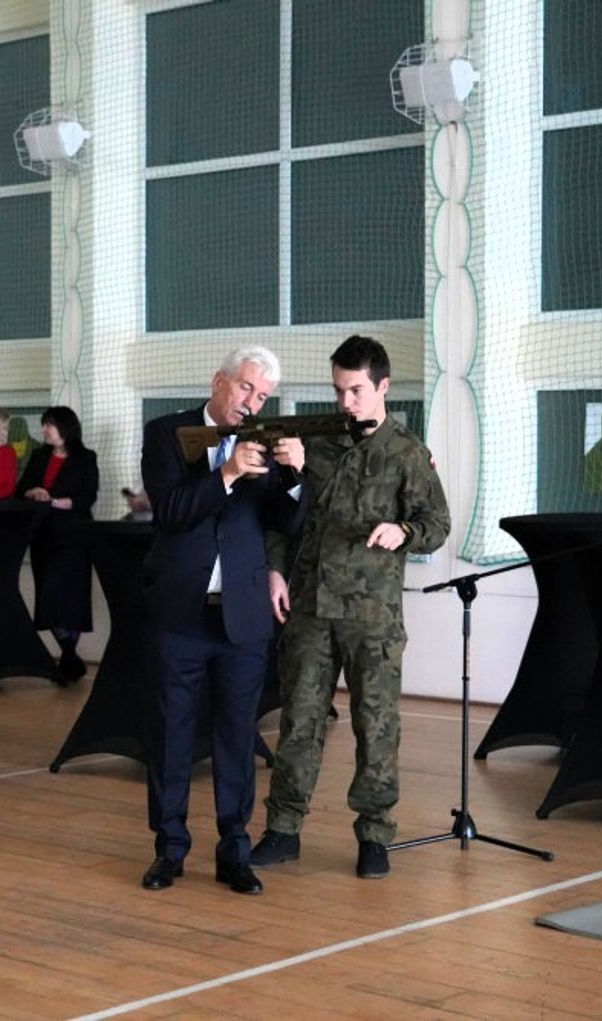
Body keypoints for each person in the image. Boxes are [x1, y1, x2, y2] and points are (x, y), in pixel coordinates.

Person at [251, 335, 450, 880]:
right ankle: (282, 829)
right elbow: (284, 517)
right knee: (299, 722)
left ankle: (375, 835)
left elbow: (437, 524)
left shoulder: (407, 452)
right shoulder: (314, 443)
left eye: (356, 390)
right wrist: (274, 569)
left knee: (376, 726)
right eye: (339, 390)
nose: (345, 401)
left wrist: (404, 530)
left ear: (383, 386)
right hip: (310, 609)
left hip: (372, 616)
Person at [140, 346, 305, 896]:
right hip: (179, 614)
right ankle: (169, 850)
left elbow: (288, 522)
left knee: (237, 739)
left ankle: (235, 851)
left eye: (263, 396)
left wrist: (296, 474)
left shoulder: (265, 442)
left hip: (243, 616)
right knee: (171, 736)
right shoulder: (166, 433)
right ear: (219, 381)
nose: (252, 402)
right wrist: (228, 473)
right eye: (246, 388)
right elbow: (170, 512)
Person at [15, 406, 100, 681]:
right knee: (48, 597)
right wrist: (34, 492)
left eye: (48, 425)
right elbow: (21, 489)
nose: (44, 430)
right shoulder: (39, 455)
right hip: (43, 536)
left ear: (65, 427)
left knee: (72, 598)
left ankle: (68, 658)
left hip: (74, 538)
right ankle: (70, 656)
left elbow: (87, 497)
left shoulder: (86, 458)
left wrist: (56, 502)